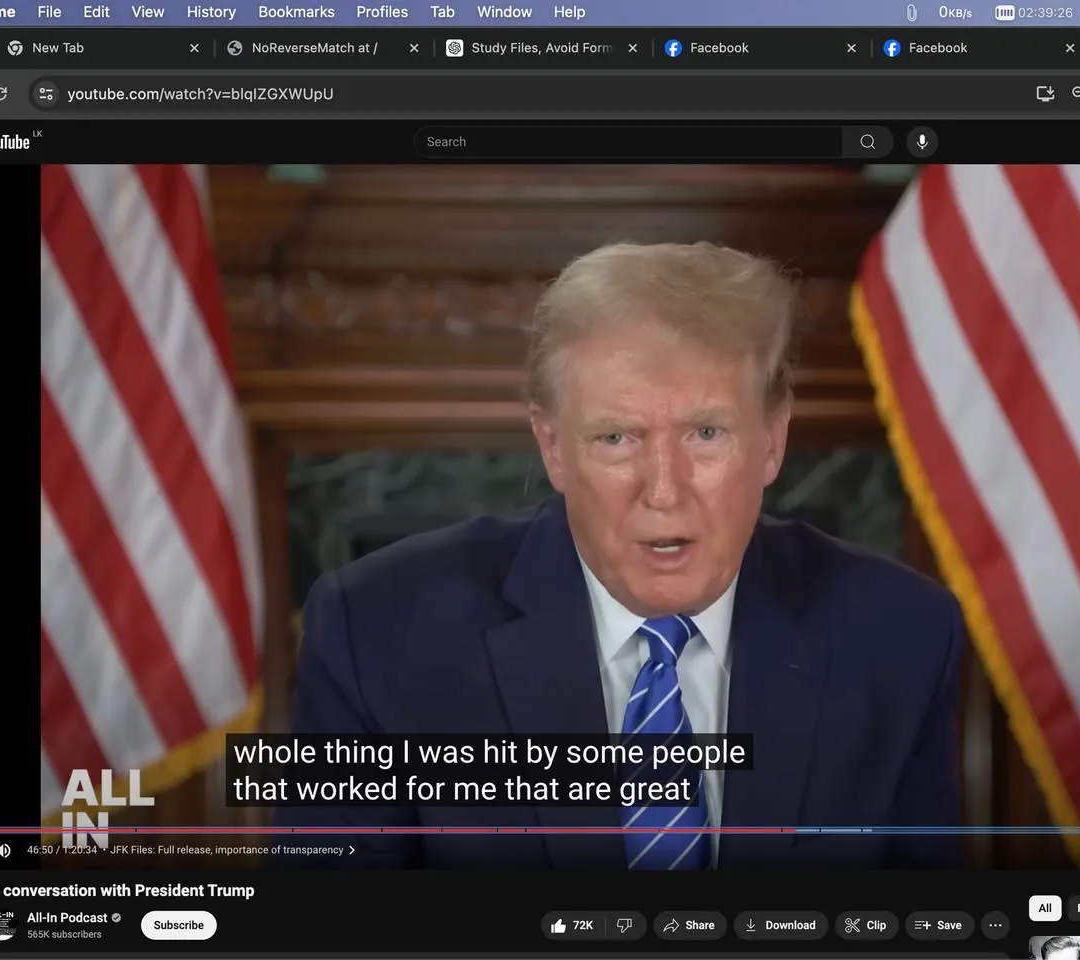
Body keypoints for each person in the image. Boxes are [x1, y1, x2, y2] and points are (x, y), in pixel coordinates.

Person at [277, 241, 965, 869]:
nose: (664, 491)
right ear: (551, 447)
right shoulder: (376, 635)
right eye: (616, 439)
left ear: (773, 439)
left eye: (706, 433)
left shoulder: (900, 635)